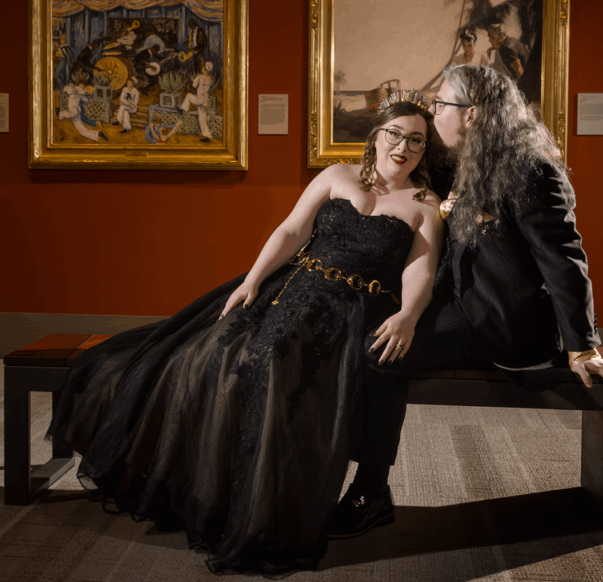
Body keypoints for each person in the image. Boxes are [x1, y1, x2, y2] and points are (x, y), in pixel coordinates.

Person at [48, 94, 443, 574]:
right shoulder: (336, 175)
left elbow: (419, 273)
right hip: (295, 287)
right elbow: (291, 232)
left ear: (424, 151)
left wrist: (408, 316)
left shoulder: (425, 205)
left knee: (278, 368)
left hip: (354, 311)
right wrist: (252, 279)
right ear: (376, 136)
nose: (403, 147)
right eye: (395, 134)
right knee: (212, 354)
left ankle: (261, 510)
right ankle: (209, 495)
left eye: (416, 141)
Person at [331, 64, 603, 539]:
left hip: (498, 318)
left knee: (379, 355)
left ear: (472, 114)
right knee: (362, 332)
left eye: (442, 105)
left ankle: (370, 493)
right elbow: (393, 159)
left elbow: (566, 261)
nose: (433, 112)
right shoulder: (458, 160)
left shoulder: (529, 171)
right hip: (454, 300)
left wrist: (583, 345)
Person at [172, 61, 214, 142]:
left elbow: (194, 85)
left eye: (202, 68)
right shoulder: (209, 79)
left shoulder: (199, 77)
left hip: (199, 100)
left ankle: (183, 109)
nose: (201, 68)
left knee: (188, 95)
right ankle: (207, 136)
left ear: (205, 69)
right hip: (205, 100)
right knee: (202, 119)